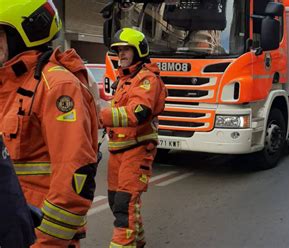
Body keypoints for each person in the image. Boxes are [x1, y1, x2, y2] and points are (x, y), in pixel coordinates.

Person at [0, 0, 99, 247]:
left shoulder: (57, 86)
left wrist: (44, 242)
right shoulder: (6, 85)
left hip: (38, 236)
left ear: (23, 34)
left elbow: (75, 177)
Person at [100, 27, 167, 247]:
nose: (121, 55)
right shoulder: (125, 79)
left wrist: (102, 117)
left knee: (124, 205)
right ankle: (138, 241)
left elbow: (139, 112)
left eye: (126, 50)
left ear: (139, 51)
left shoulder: (146, 78)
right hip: (118, 150)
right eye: (118, 51)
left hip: (137, 150)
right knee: (115, 201)